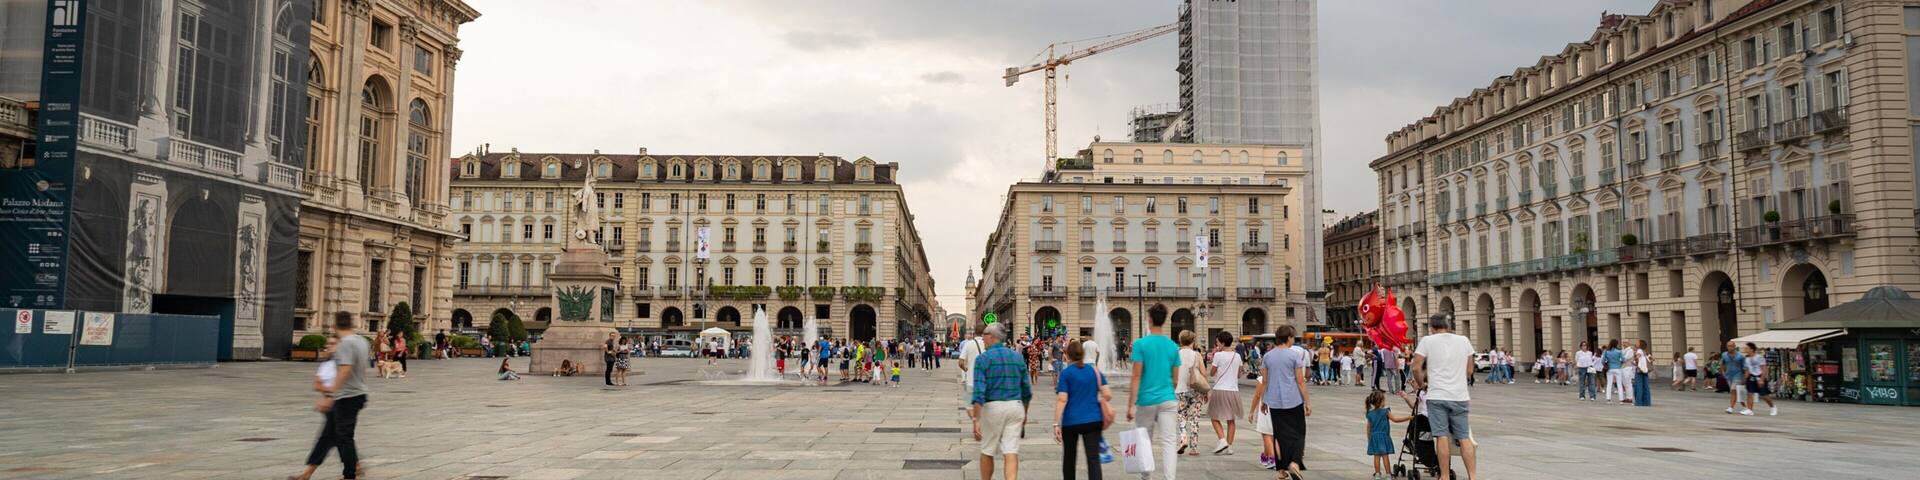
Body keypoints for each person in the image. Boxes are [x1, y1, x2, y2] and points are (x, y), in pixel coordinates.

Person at [300, 312, 369, 480]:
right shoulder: (362, 341)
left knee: (344, 437)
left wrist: (331, 396)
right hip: (359, 393)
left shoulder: (345, 343)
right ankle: (308, 474)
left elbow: (344, 371)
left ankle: (350, 475)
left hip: (347, 396)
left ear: (334, 326)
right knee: (339, 435)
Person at [1411, 315, 1476, 480]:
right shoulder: (1464, 340)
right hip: (1459, 396)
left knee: (1441, 436)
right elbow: (1469, 371)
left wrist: (1421, 385)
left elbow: (1416, 368)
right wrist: (1458, 382)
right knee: (1463, 437)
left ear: (1432, 327)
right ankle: (1473, 477)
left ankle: (1445, 475)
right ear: (1448, 325)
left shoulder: (1427, 341)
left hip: (1437, 395)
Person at [971, 324, 1031, 480]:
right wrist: (1025, 412)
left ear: (991, 336)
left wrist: (976, 419)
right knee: (1011, 451)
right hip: (1015, 407)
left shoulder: (983, 359)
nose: (982, 338)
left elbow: (979, 392)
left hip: (993, 408)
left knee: (987, 450)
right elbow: (1026, 390)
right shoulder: (1017, 357)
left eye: (984, 334)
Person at [1127, 312, 1183, 480]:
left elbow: (1136, 376)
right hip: (1168, 398)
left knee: (1144, 440)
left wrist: (1130, 405)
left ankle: (1146, 477)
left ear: (1149, 320)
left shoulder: (1140, 344)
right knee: (1169, 441)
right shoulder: (1173, 346)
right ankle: (1170, 478)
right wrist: (1167, 391)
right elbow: (1175, 379)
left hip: (1146, 400)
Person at [1252, 324, 1309, 480]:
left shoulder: (1268, 356)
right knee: (1299, 434)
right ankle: (1295, 463)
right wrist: (1307, 402)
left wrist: (1263, 401)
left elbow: (1264, 381)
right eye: (1293, 337)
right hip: (1294, 400)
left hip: (1274, 402)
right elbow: (1300, 381)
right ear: (1289, 338)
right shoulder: (1294, 356)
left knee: (1280, 436)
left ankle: (1282, 470)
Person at [1054, 340, 1111, 480]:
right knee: (1093, 459)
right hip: (1093, 420)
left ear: (1068, 355)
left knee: (1069, 458)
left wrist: (1056, 423)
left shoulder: (1066, 373)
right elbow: (1108, 394)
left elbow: (1062, 399)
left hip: (1070, 421)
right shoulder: (1095, 371)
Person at [1207, 332, 1243, 456]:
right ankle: (1229, 446)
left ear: (1222, 343)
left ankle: (1222, 440)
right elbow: (1239, 374)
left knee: (1214, 416)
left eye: (1217, 343)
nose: (1217, 345)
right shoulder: (1237, 356)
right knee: (1231, 420)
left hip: (1220, 389)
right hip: (1233, 390)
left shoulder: (1218, 355)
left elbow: (1212, 373)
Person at [1171, 330, 1206, 457]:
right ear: (1193, 341)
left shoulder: (1175, 354)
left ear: (1180, 341)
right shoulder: (1197, 355)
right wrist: (1206, 391)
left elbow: (1172, 374)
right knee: (1194, 418)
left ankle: (1183, 438)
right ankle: (1194, 448)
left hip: (1180, 390)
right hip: (1195, 389)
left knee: (1181, 416)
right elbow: (1203, 373)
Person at [1365, 391, 1413, 480]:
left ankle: (1378, 474)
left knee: (1376, 456)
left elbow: (1368, 428)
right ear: (1381, 401)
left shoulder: (1369, 414)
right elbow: (1395, 419)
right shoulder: (1385, 411)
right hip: (1383, 436)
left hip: (1374, 437)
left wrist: (1369, 438)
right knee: (1385, 455)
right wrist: (1408, 417)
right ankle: (1388, 474)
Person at [1742, 343, 1778, 416]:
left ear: (1751, 349)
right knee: (1750, 393)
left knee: (1764, 394)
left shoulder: (1759, 357)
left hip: (1759, 376)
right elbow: (1747, 369)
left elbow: (1764, 368)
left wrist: (1762, 379)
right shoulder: (1747, 359)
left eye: (1746, 348)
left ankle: (1773, 407)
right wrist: (1745, 378)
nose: (1745, 349)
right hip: (1751, 377)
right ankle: (1749, 409)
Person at [1721, 341, 1746, 414]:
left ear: (1734, 346)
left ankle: (1731, 407)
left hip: (1738, 375)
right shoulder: (1724, 355)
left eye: (1731, 346)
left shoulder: (1740, 356)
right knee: (1737, 392)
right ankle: (1745, 406)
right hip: (1729, 376)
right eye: (1728, 346)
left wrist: (1744, 378)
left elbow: (1744, 367)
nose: (1729, 347)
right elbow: (1722, 363)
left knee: (1733, 390)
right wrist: (1723, 372)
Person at [1632, 340, 1652, 407]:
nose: (1636, 343)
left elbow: (1637, 358)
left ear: (1640, 344)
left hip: (1640, 369)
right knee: (1645, 386)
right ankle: (1647, 402)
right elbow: (1652, 359)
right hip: (1645, 370)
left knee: (1638, 385)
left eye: (1637, 342)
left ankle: (1639, 402)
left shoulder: (1639, 350)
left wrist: (1634, 360)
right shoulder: (1645, 351)